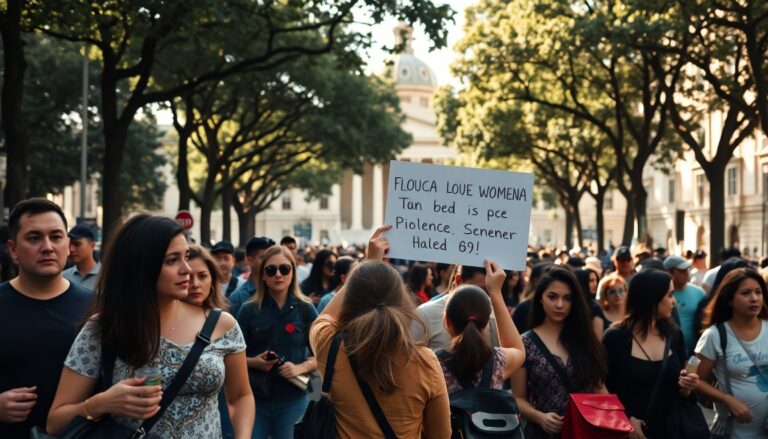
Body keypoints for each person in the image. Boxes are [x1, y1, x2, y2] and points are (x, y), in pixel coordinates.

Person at [46, 215, 254, 438]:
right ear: (141, 266)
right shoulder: (104, 328)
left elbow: (241, 396)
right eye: (172, 260)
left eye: (185, 256)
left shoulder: (220, 325)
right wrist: (102, 403)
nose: (187, 269)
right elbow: (55, 422)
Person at [309, 225, 451, 438]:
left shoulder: (330, 347)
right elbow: (441, 435)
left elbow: (325, 318)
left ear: (351, 300)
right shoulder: (426, 362)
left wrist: (368, 263)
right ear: (402, 301)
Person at [0, 199, 93, 438]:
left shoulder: (96, 307)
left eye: (56, 237)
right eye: (34, 238)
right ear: (13, 250)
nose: (48, 246)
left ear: (67, 244)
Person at [602, 269, 699, 439]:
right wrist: (625, 418)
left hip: (670, 430)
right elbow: (599, 385)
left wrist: (687, 387)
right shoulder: (615, 338)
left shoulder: (674, 334)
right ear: (651, 297)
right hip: (626, 432)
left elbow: (681, 394)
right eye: (669, 295)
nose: (674, 301)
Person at [511, 267, 607, 439]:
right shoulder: (525, 342)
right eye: (552, 296)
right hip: (543, 433)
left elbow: (599, 387)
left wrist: (615, 418)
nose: (560, 304)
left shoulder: (585, 338)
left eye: (567, 298)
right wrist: (540, 417)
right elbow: (518, 398)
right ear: (540, 298)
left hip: (585, 431)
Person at [237, 245, 318, 439]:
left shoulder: (306, 308)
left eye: (285, 269)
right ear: (263, 275)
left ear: (293, 272)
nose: (278, 275)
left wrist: (301, 367)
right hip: (255, 400)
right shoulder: (248, 310)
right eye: (271, 270)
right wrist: (253, 362)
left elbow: (323, 353)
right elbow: (229, 357)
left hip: (294, 400)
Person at [694, 268, 768, 439]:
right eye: (746, 293)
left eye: (758, 292)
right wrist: (727, 400)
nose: (754, 298)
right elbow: (695, 380)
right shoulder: (715, 335)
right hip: (731, 432)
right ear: (729, 300)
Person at [439, 262, 526, 394]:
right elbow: (517, 348)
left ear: (446, 321)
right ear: (485, 323)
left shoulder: (432, 365)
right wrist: (495, 292)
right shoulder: (498, 363)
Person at [184, 245, 235, 438]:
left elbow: (240, 396)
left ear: (213, 280)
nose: (195, 284)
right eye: (188, 276)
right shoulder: (155, 324)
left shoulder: (226, 324)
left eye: (202, 276)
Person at [413, 264, 496, 350]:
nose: (485, 297)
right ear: (458, 280)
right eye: (480, 290)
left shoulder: (495, 316)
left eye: (491, 290)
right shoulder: (424, 315)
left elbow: (507, 353)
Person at [664, 255, 705, 356]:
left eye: (688, 269)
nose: (687, 274)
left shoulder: (699, 292)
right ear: (670, 273)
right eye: (682, 271)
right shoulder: (661, 294)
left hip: (695, 352)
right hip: (668, 351)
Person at [229, 236, 275, 317]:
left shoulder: (281, 289)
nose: (269, 261)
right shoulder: (238, 297)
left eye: (272, 257)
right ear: (250, 260)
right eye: (263, 257)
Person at [62, 224, 101, 292]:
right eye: (69, 245)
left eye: (77, 244)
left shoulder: (106, 277)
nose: (71, 249)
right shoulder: (63, 277)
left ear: (92, 245)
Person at [575, 268, 605, 338]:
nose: (595, 284)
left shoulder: (594, 305)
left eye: (596, 280)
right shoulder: (593, 307)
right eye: (591, 281)